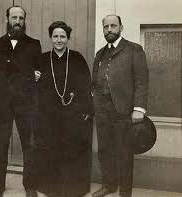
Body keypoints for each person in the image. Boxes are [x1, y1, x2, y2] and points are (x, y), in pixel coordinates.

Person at [91, 15, 149, 197]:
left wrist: (138, 109)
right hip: (102, 112)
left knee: (124, 153)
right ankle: (109, 185)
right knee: (104, 151)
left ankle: (125, 192)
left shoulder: (134, 49)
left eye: (113, 26)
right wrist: (95, 101)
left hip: (124, 112)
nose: (109, 29)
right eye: (106, 26)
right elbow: (94, 83)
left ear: (121, 27)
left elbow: (142, 81)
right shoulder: (99, 54)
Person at [0, 6, 41, 197]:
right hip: (2, 104)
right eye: (14, 17)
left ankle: (30, 186)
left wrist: (33, 77)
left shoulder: (34, 44)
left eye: (21, 18)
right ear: (7, 19)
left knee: (30, 145)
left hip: (26, 105)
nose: (17, 21)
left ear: (25, 20)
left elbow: (38, 73)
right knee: (0, 145)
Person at [35, 21, 93, 197]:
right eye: (55, 36)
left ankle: (74, 190)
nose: (59, 40)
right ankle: (51, 189)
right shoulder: (42, 59)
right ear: (51, 38)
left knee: (72, 152)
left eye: (62, 36)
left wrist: (87, 111)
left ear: (68, 38)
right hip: (49, 116)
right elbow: (33, 88)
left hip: (72, 115)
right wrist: (33, 78)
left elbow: (86, 86)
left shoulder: (77, 58)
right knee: (51, 151)